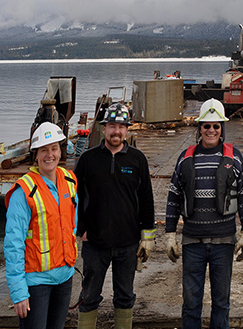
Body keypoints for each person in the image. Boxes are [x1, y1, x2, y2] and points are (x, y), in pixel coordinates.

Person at [165, 98, 243, 329]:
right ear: (199, 128)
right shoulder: (185, 157)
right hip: (192, 241)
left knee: (221, 302)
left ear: (222, 128)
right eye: (206, 125)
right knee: (191, 303)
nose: (211, 130)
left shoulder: (235, 158)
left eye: (216, 125)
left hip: (223, 242)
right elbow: (174, 196)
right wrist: (170, 234)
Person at [75, 102, 156, 329]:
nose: (116, 131)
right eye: (112, 125)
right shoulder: (88, 160)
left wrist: (147, 238)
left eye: (121, 126)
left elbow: (146, 199)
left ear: (127, 130)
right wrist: (81, 229)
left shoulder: (137, 160)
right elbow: (74, 197)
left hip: (128, 244)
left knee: (125, 295)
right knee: (89, 297)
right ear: (103, 128)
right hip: (95, 244)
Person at [4, 122, 78, 329]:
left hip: (64, 278)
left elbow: (73, 224)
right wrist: (19, 292)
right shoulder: (24, 192)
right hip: (36, 284)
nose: (50, 155)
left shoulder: (69, 180)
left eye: (54, 148)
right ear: (35, 155)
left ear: (60, 151)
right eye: (44, 150)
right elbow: (13, 244)